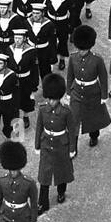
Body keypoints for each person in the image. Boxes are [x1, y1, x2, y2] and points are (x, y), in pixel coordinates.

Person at [34, 73, 76, 212]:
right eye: (49, 99)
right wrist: (37, 145)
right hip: (46, 143)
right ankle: (42, 203)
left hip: (61, 144)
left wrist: (71, 149)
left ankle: (61, 191)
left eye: (54, 99)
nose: (51, 102)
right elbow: (39, 127)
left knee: (61, 171)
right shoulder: (43, 109)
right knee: (44, 175)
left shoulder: (66, 111)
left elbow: (71, 130)